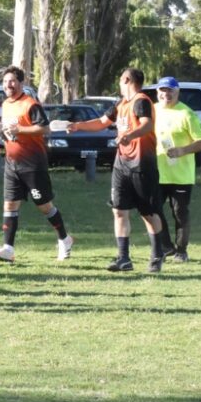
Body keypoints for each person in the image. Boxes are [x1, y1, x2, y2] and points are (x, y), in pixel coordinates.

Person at [67, 67, 165, 273]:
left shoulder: (141, 101)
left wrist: (130, 135)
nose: (119, 84)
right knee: (119, 210)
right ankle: (123, 258)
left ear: (127, 80)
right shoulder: (121, 104)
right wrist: (78, 126)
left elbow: (147, 125)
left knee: (148, 213)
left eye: (121, 80)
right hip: (122, 164)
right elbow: (102, 123)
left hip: (141, 164)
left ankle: (157, 254)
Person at [0, 66, 73, 264]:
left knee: (44, 206)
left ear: (21, 83)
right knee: (10, 204)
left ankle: (64, 239)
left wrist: (20, 129)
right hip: (12, 163)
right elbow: (12, 133)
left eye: (12, 81)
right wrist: (2, 134)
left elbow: (44, 128)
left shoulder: (30, 104)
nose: (8, 85)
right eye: (5, 81)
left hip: (33, 163)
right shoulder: (6, 104)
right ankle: (8, 249)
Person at [153, 76, 201, 263]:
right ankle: (166, 246)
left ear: (177, 92)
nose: (166, 94)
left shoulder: (186, 114)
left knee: (179, 213)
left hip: (181, 175)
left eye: (170, 90)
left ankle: (181, 251)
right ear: (157, 92)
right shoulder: (153, 110)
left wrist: (183, 150)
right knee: (153, 210)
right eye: (162, 90)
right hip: (157, 172)